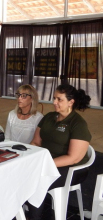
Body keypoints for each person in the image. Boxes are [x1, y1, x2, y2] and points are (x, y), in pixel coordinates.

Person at [27, 84, 92, 220]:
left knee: (37, 179)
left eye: (59, 99)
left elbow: (73, 158)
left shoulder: (78, 124)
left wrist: (44, 164)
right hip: (48, 162)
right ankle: (20, 209)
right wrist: (29, 159)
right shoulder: (49, 117)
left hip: (73, 169)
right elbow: (36, 142)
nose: (54, 102)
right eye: (54, 98)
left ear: (71, 102)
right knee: (21, 171)